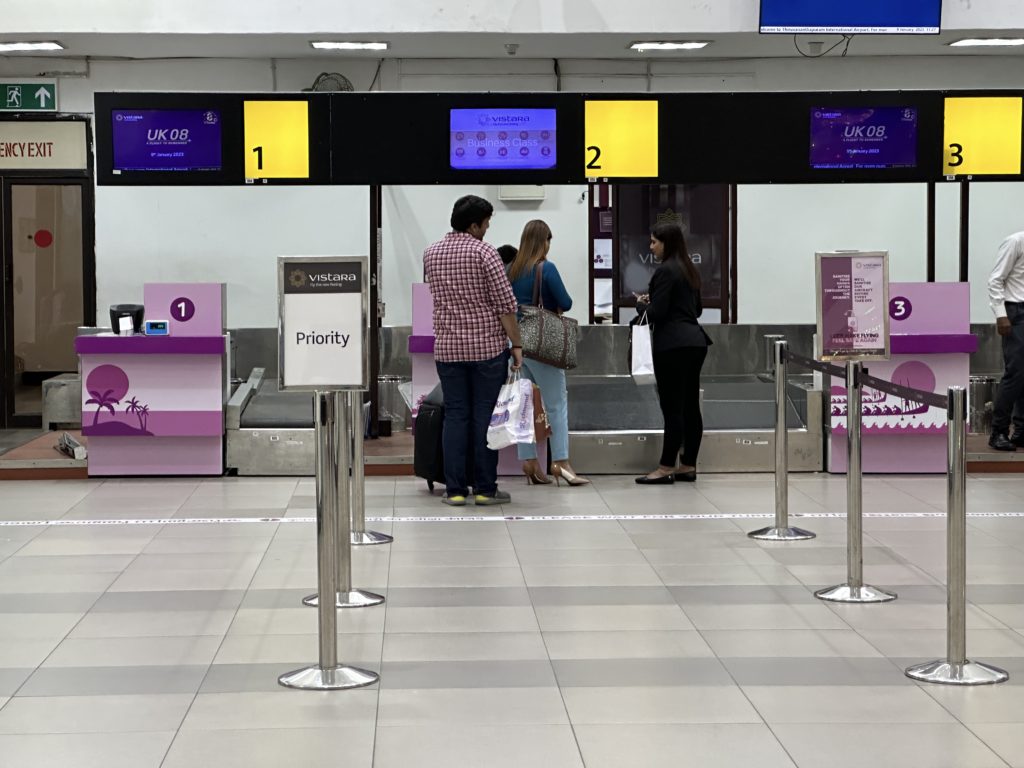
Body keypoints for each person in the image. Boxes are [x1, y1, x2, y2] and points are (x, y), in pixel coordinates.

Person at [423, 195, 524, 505]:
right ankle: (484, 488)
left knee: (455, 416)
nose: (487, 228)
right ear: (474, 225)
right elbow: (506, 305)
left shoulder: (431, 253)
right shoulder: (485, 253)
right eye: (486, 223)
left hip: (449, 350)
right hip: (486, 351)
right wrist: (516, 344)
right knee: (484, 417)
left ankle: (454, 491)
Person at [506, 219, 589, 486]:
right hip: (543, 345)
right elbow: (565, 302)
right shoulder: (546, 268)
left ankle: (529, 461)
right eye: (548, 241)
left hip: (517, 345)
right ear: (543, 242)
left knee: (524, 404)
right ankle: (561, 462)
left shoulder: (511, 270)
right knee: (556, 403)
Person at [635, 222, 712, 484]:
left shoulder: (665, 271)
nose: (651, 246)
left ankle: (666, 467)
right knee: (691, 406)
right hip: (695, 342)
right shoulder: (690, 270)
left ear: (666, 243)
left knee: (672, 407)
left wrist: (640, 305)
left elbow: (657, 313)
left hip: (672, 346)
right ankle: (688, 465)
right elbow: (697, 310)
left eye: (654, 242)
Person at [987, 230, 1024, 451]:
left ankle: (1021, 430)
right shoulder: (1016, 241)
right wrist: (1001, 314)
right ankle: (998, 431)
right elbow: (996, 279)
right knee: (1016, 373)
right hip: (1016, 311)